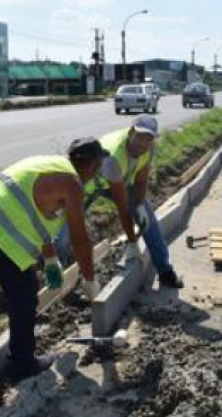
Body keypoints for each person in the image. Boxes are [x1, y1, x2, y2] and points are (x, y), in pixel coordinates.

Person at [0, 138, 108, 379]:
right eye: (98, 168)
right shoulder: (73, 185)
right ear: (92, 166)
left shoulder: (45, 164)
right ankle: (22, 362)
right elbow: (79, 239)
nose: (97, 174)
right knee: (23, 293)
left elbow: (32, 213)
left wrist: (50, 257)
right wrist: (88, 279)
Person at [57, 116, 183, 288]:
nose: (143, 143)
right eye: (139, 136)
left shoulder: (149, 149)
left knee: (149, 221)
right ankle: (61, 280)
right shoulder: (114, 157)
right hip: (88, 185)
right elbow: (122, 208)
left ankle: (165, 271)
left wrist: (139, 205)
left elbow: (141, 179)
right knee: (62, 233)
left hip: (119, 182)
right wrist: (132, 242)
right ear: (130, 132)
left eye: (148, 138)